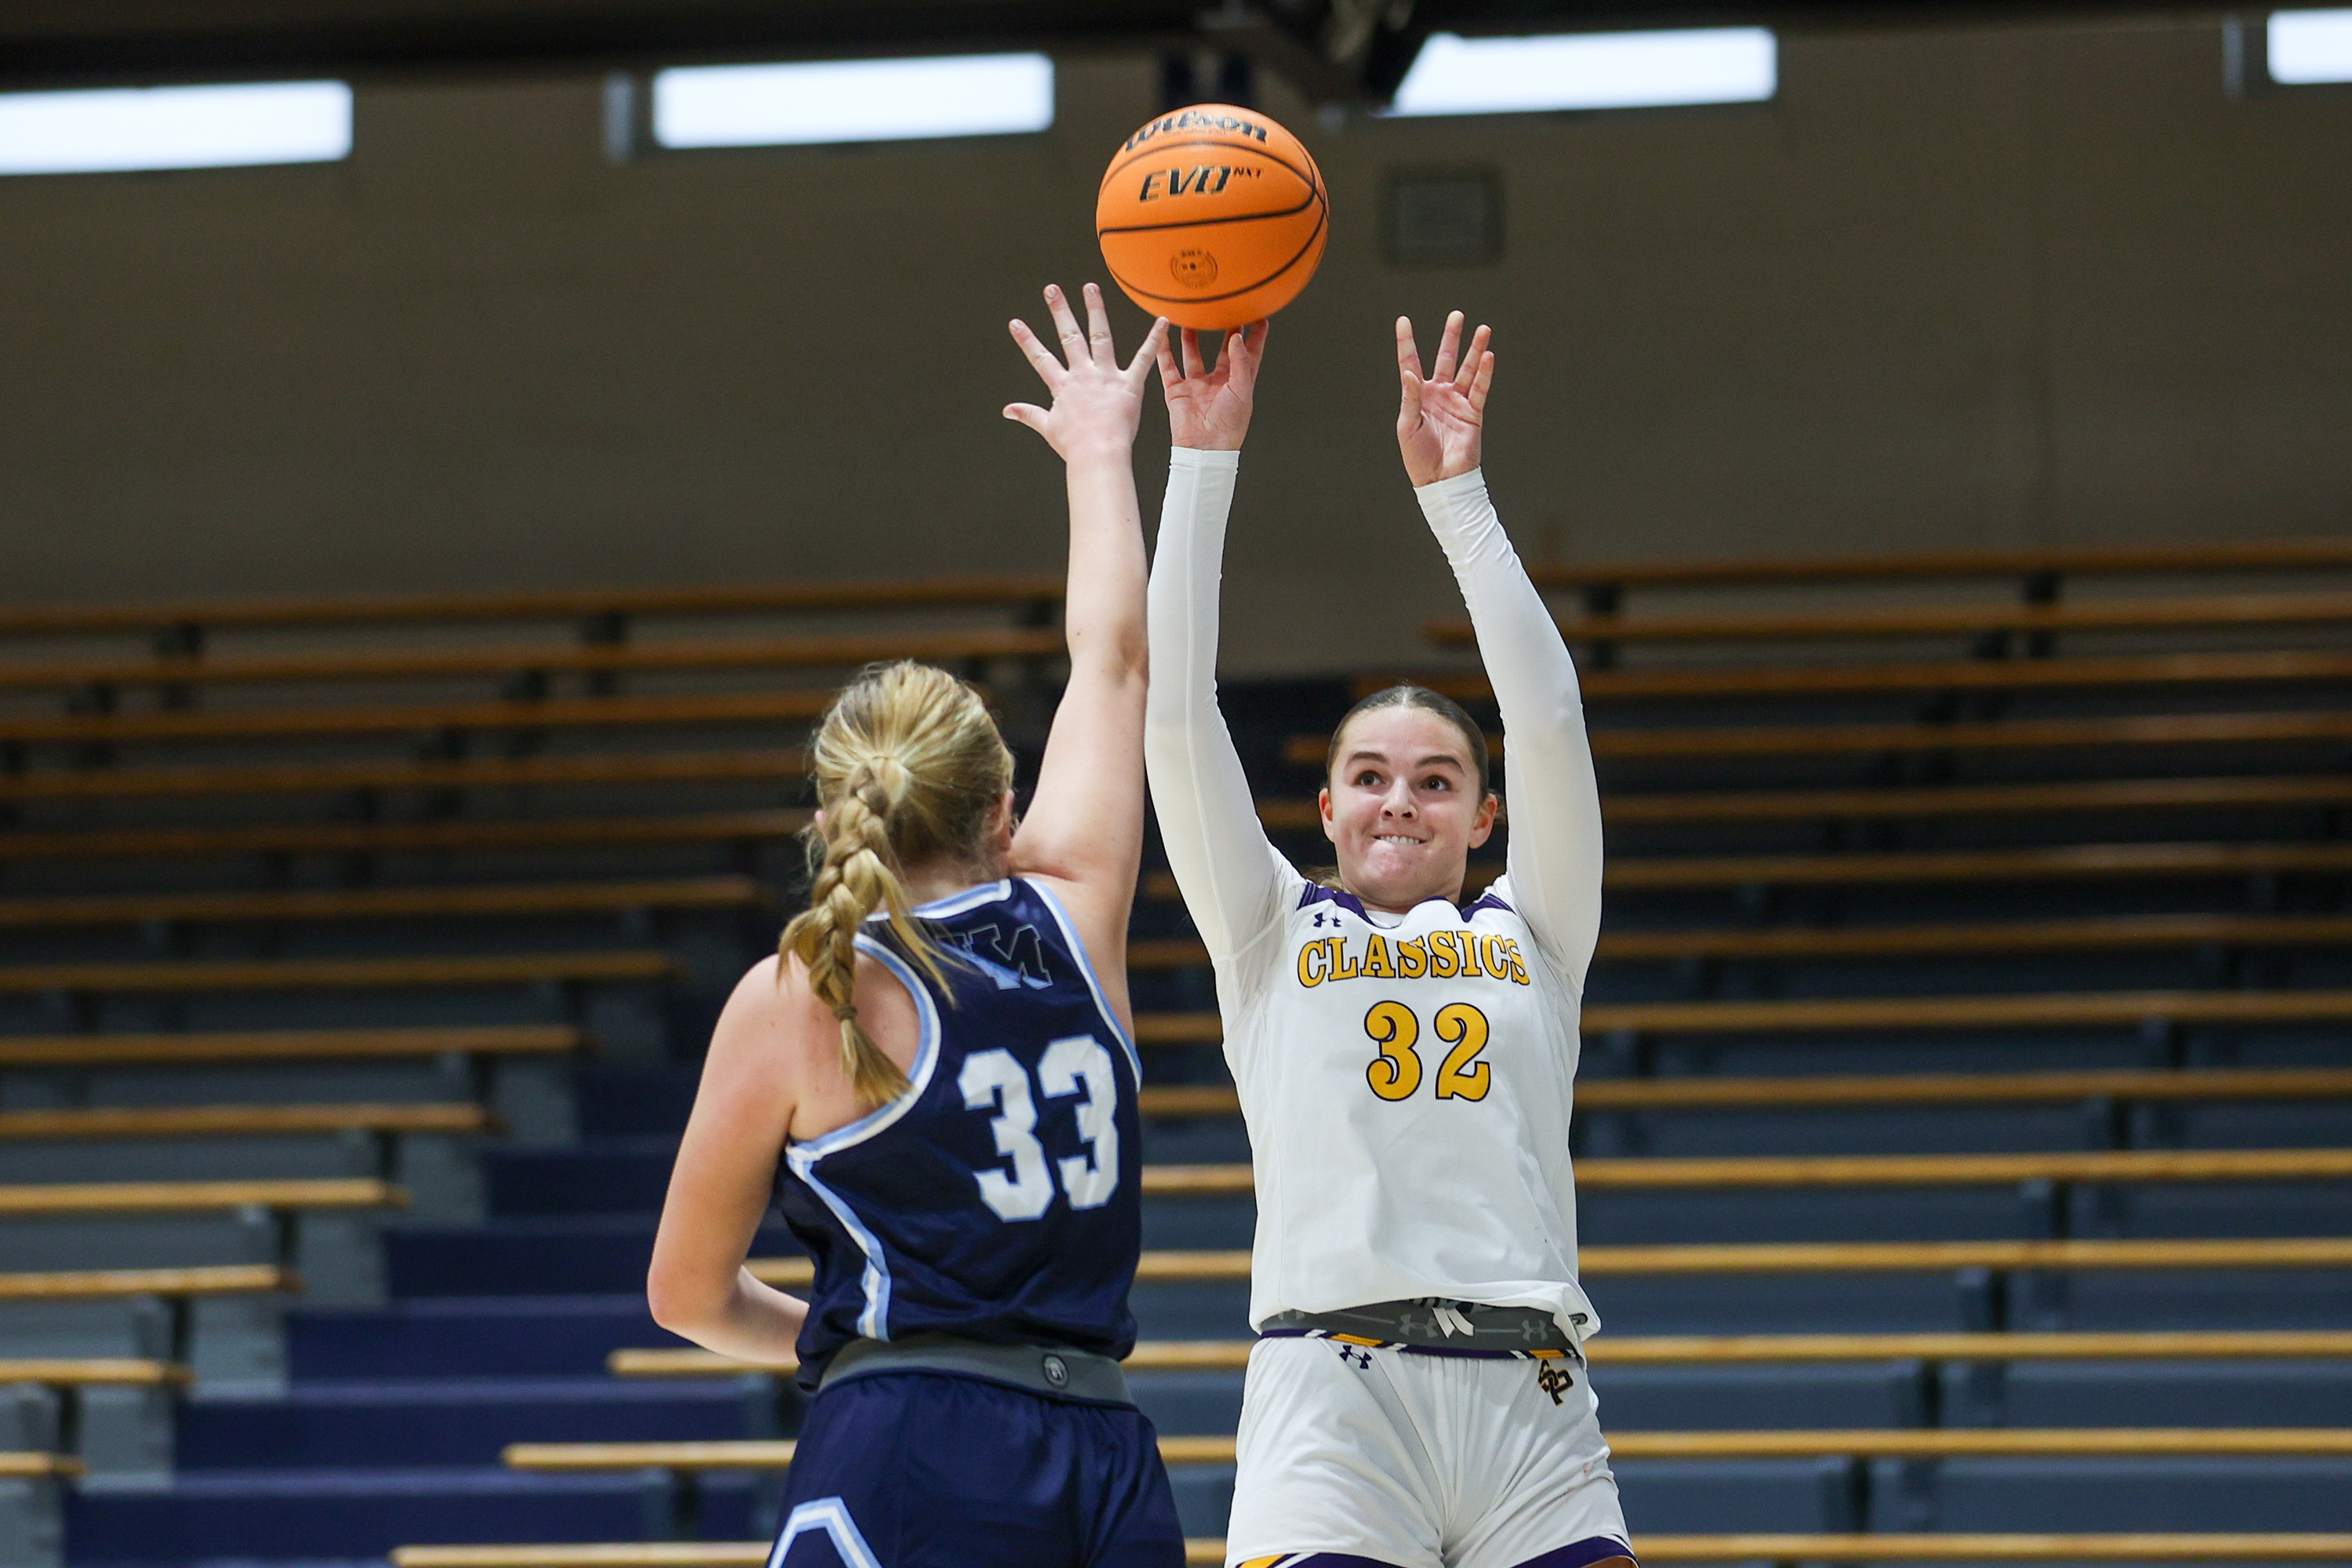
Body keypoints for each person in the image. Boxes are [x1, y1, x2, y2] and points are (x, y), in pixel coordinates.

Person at [647, 283, 1185, 1568]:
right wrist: (1103, 455)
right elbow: (1114, 664)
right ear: (1006, 809)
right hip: (1105, 1447)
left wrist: (859, 1337)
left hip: (907, 1440)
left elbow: (684, 1295)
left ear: (835, 821)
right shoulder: (1075, 909)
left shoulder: (800, 992)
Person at [1144, 311, 1633, 1568]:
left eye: (1433, 778)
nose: (1399, 800)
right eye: (1368, 776)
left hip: (1531, 1399)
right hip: (1334, 1394)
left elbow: (1552, 715)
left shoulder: (1538, 928)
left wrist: (1459, 500)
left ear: (1487, 810)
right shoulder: (1266, 929)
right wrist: (1204, 462)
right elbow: (1179, 712)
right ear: (1325, 810)